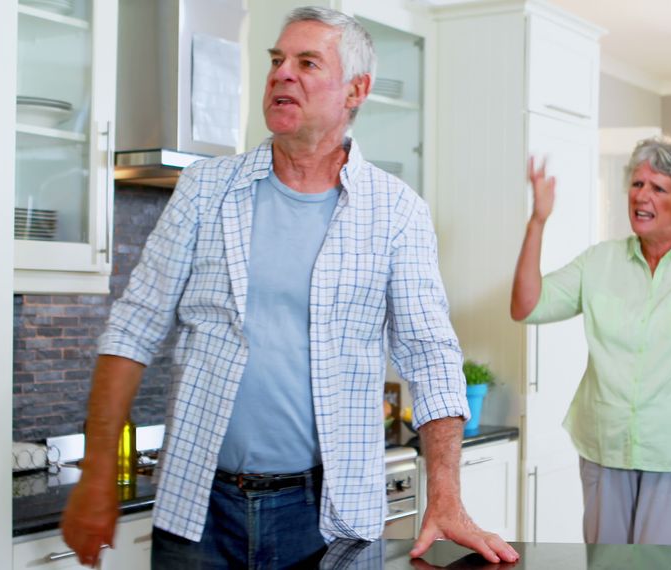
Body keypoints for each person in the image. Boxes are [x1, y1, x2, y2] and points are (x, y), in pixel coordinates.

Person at [61, 7, 518, 568]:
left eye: (307, 62)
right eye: (277, 60)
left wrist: (446, 494)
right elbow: (134, 326)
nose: (282, 74)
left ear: (356, 90)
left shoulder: (397, 211)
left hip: (327, 520)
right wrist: (98, 470)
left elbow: (429, 354)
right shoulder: (207, 188)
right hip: (196, 509)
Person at [510, 136, 671, 545]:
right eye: (637, 184)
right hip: (606, 451)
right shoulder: (601, 260)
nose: (642, 196)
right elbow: (526, 306)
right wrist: (537, 222)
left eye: (658, 187)